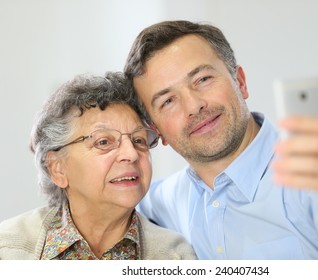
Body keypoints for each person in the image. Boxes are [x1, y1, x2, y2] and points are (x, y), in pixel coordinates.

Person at [123, 20, 318, 260]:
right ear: (155, 130)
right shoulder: (161, 199)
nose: (194, 106)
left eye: (203, 79)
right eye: (168, 101)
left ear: (241, 82)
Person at [0, 71, 197, 260]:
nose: (131, 154)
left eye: (139, 140)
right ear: (58, 168)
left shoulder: (177, 257)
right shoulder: (7, 250)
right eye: (103, 142)